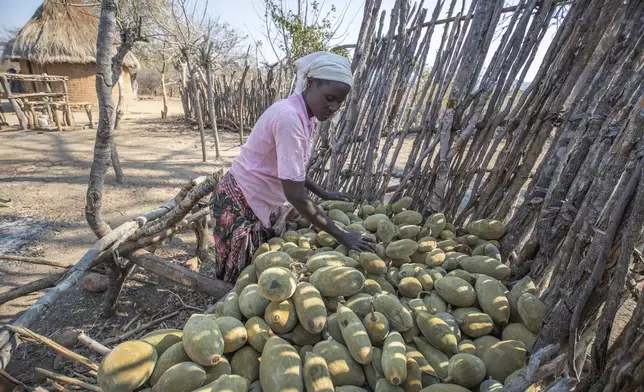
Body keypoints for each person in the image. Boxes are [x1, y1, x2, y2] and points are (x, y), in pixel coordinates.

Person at [211, 51, 376, 283]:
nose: (334, 107)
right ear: (310, 84)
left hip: (255, 198)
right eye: (329, 98)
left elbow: (292, 168)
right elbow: (296, 195)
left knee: (254, 273)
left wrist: (323, 193)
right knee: (238, 278)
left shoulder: (304, 116)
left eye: (339, 102)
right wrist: (342, 235)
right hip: (239, 199)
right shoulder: (289, 118)